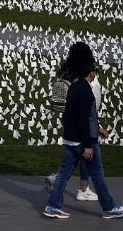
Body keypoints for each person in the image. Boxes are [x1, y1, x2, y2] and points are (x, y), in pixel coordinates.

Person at [44, 42, 123, 219]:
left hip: (70, 139)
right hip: (84, 140)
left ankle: (53, 206)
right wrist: (88, 144)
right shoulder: (87, 92)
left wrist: (98, 127)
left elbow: (77, 115)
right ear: (91, 73)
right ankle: (108, 207)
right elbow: (84, 118)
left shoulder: (73, 87)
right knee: (98, 174)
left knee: (64, 174)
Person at [45, 43, 106, 202]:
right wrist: (97, 126)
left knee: (74, 156)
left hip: (69, 120)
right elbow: (87, 106)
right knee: (90, 156)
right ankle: (89, 192)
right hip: (85, 120)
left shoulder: (66, 73)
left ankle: (60, 189)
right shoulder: (84, 77)